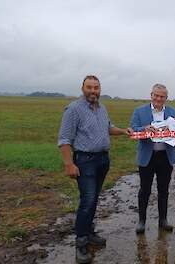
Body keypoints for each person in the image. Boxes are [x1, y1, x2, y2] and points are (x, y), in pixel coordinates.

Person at [58, 75, 131, 263]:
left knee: (94, 199)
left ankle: (89, 233)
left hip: (102, 161)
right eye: (89, 87)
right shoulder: (74, 109)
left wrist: (123, 131)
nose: (93, 91)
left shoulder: (101, 108)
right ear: (82, 88)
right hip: (85, 161)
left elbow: (108, 127)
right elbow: (64, 139)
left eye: (96, 88)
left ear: (100, 89)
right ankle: (81, 243)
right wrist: (69, 164)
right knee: (87, 201)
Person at [131, 83, 175, 234]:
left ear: (166, 98)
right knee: (144, 190)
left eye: (162, 96)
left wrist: (172, 129)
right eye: (156, 95)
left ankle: (163, 220)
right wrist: (143, 129)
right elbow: (133, 128)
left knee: (163, 190)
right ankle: (141, 221)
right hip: (147, 156)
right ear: (151, 95)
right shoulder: (139, 111)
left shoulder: (172, 111)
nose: (159, 99)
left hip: (165, 156)